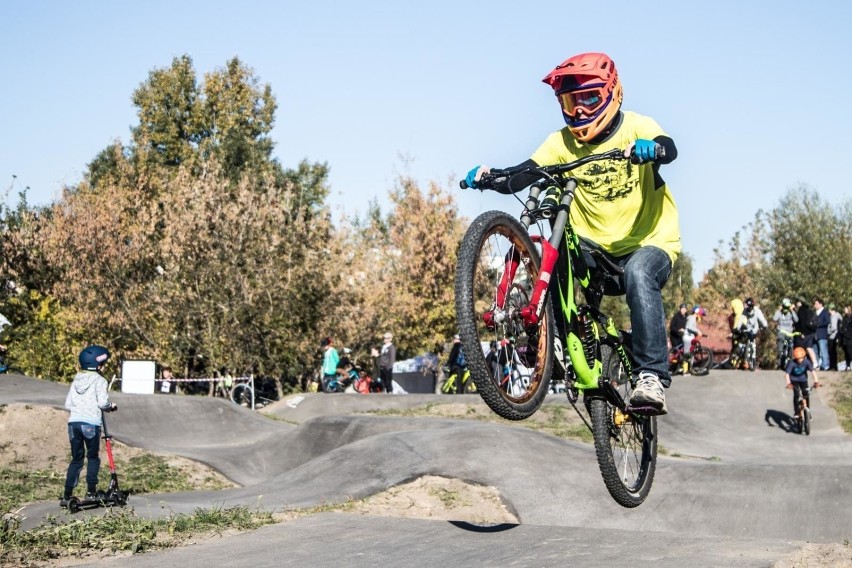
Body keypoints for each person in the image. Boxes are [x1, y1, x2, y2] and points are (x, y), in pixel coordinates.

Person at [465, 52, 679, 415]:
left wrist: (652, 149)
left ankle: (651, 377)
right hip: (594, 250)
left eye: (589, 99)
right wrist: (492, 176)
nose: (579, 111)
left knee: (639, 273)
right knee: (556, 242)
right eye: (570, 101)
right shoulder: (561, 144)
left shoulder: (636, 127)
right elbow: (526, 172)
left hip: (648, 243)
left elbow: (668, 148)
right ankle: (559, 342)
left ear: (613, 94)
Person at [63, 345, 117, 503]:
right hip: (90, 424)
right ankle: (91, 492)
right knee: (93, 458)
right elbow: (102, 403)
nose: (103, 367)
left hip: (73, 424)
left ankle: (67, 494)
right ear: (97, 364)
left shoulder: (77, 379)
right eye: (103, 364)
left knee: (76, 459)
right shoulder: (100, 380)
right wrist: (111, 406)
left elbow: (68, 404)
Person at [784, 346, 819, 430]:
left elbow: (813, 371)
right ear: (795, 358)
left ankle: (808, 411)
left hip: (803, 380)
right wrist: (788, 383)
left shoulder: (807, 362)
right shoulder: (792, 363)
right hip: (794, 380)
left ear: (804, 357)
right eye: (798, 358)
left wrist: (816, 381)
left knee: (806, 395)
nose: (800, 360)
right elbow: (787, 374)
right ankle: (797, 411)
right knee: (796, 395)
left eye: (801, 358)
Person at [772, 298, 798, 369]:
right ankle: (779, 360)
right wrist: (779, 310)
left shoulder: (791, 312)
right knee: (780, 342)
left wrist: (792, 310)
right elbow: (774, 319)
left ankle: (790, 359)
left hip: (789, 332)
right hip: (781, 331)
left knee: (790, 346)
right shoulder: (779, 312)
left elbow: (796, 320)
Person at [793, 297, 818, 367]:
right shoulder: (808, 310)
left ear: (800, 302)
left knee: (800, 348)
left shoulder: (801, 311)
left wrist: (802, 333)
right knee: (809, 347)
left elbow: (802, 323)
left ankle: (801, 363)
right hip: (811, 332)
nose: (796, 303)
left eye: (797, 302)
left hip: (804, 333)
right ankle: (815, 362)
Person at [813, 298, 830, 371]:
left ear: (821, 304)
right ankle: (818, 364)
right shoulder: (815, 313)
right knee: (815, 350)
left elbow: (827, 321)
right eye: (814, 304)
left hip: (822, 334)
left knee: (823, 350)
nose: (815, 305)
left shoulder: (825, 312)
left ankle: (825, 365)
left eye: (816, 304)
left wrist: (818, 324)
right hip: (815, 334)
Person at [827, 303, 842, 371]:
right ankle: (833, 366)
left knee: (831, 352)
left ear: (830, 309)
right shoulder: (838, 315)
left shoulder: (834, 316)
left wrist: (828, 331)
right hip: (835, 336)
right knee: (833, 352)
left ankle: (833, 366)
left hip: (832, 336)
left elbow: (833, 327)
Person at [840, 305, 852, 371]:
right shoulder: (844, 318)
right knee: (846, 352)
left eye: (845, 309)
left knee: (850, 351)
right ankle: (848, 365)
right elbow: (842, 327)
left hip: (850, 337)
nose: (844, 310)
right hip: (844, 338)